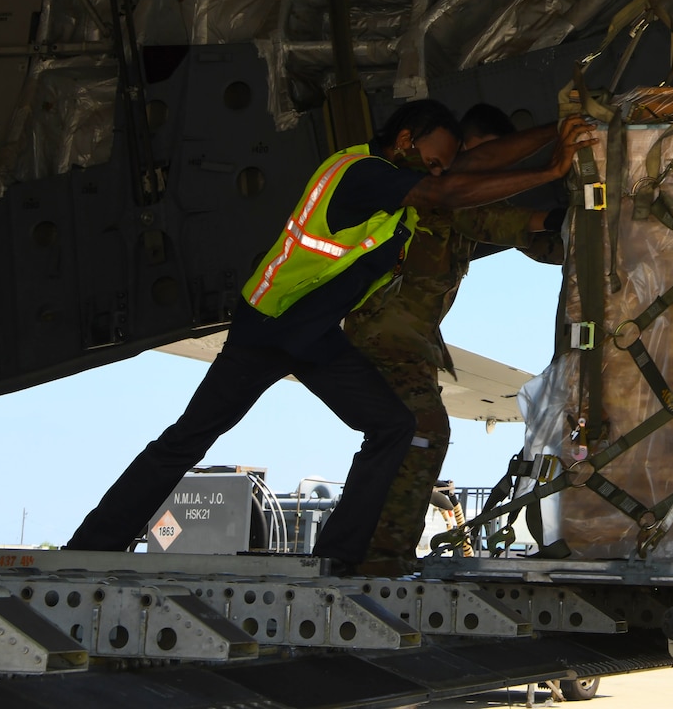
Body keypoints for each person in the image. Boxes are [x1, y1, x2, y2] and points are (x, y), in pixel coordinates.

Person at [67, 100, 594, 572]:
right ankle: (93, 544)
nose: (439, 170)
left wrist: (558, 127)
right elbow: (449, 184)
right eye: (432, 158)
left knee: (394, 425)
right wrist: (552, 165)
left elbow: (469, 168)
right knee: (188, 439)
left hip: (314, 335)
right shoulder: (361, 173)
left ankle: (339, 558)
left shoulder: (402, 182)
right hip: (268, 326)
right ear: (407, 140)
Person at [347, 103, 564, 576]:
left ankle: (351, 547)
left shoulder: (461, 201)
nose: (484, 173)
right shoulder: (434, 189)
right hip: (384, 333)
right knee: (423, 431)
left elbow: (532, 238)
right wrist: (551, 208)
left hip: (408, 341)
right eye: (482, 160)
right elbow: (505, 224)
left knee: (395, 438)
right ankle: (381, 558)